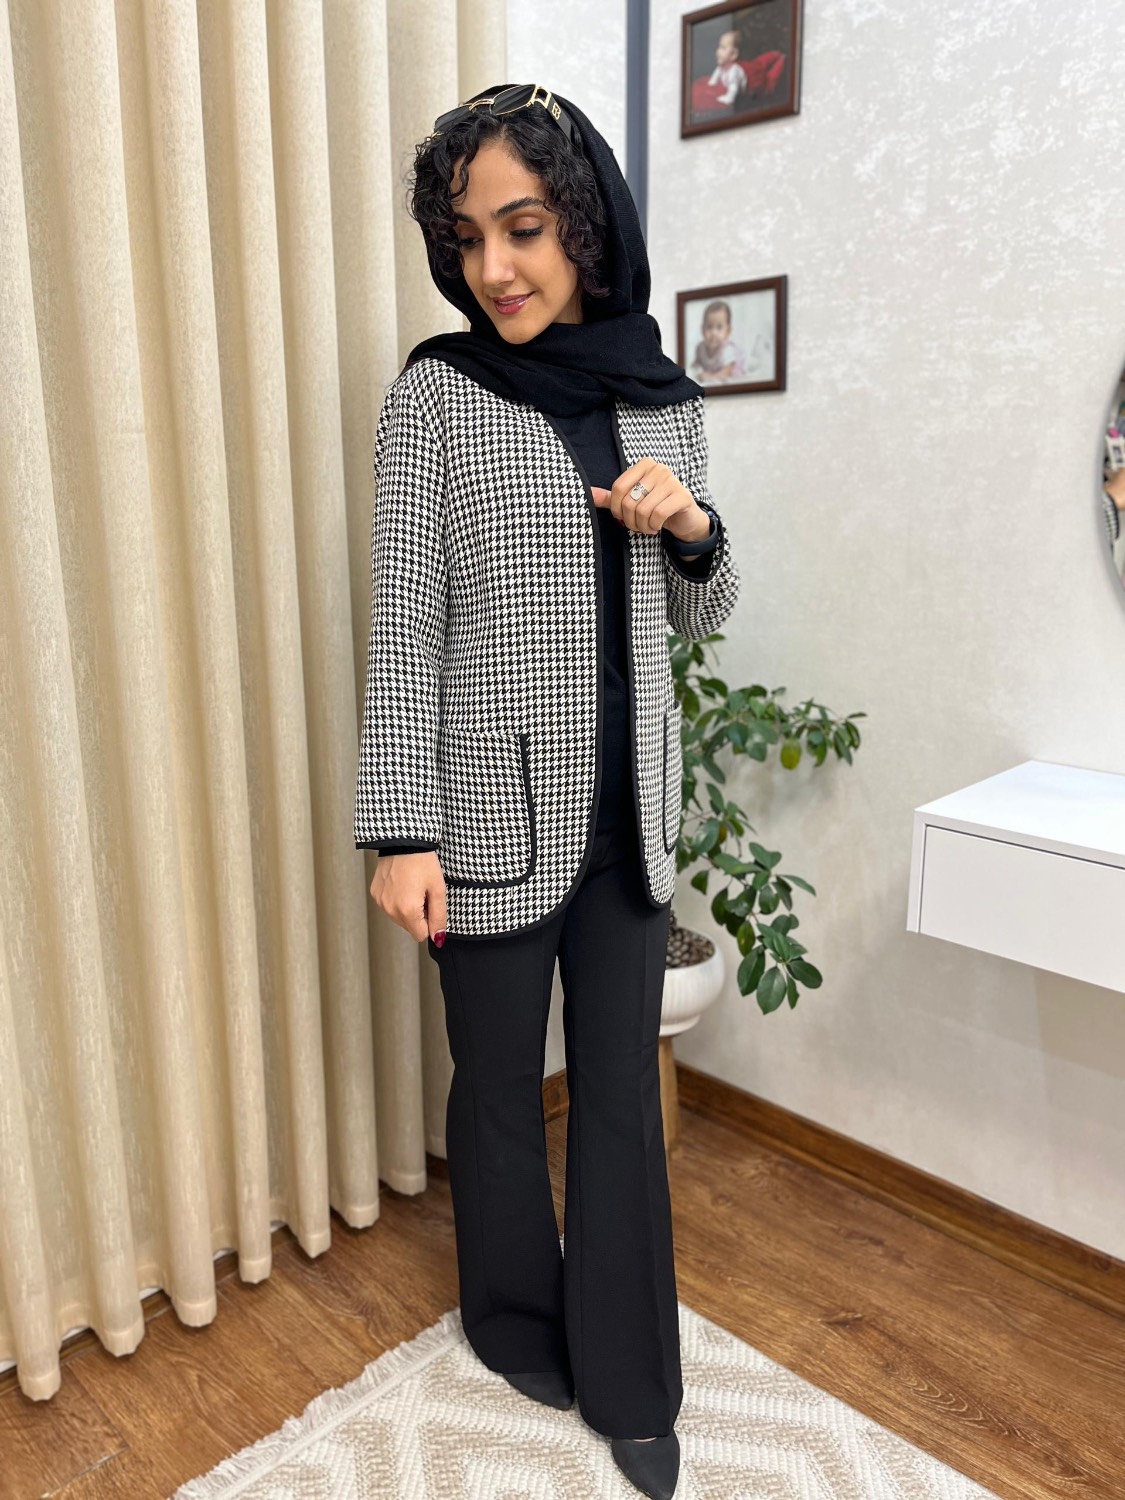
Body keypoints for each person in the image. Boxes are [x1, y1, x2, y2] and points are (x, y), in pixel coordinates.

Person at [354, 83, 741, 1500]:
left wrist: (691, 529)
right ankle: (513, 1318)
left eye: (522, 229)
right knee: (502, 1092)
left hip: (629, 820)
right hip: (487, 817)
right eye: (467, 239)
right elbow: (406, 626)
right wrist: (402, 831)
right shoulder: (436, 397)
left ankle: (634, 1373)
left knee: (622, 1102)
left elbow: (700, 618)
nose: (494, 269)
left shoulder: (663, 402)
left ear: (584, 224)